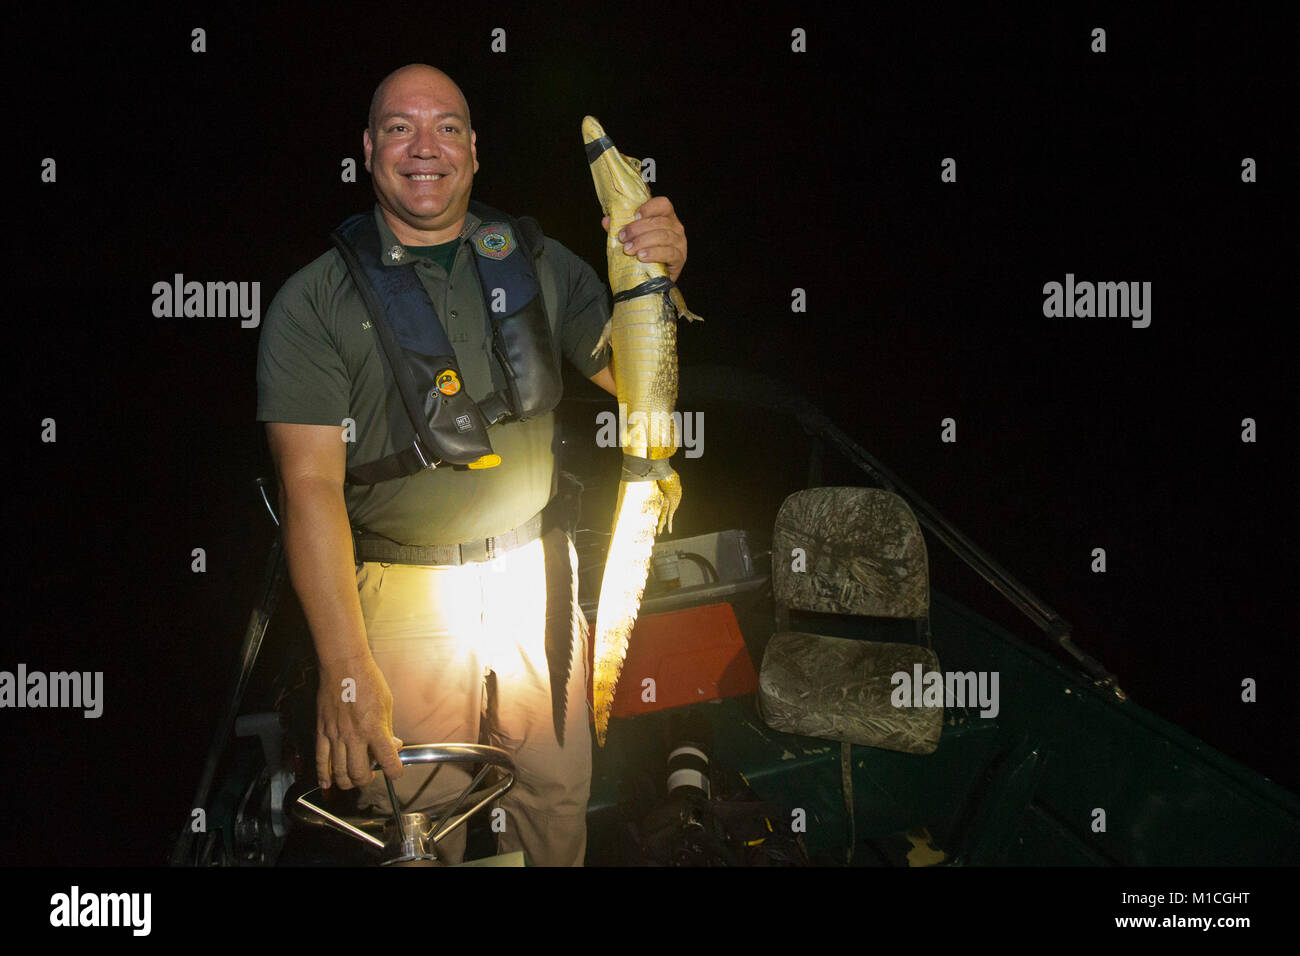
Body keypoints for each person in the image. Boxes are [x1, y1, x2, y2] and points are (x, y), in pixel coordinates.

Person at [255, 63, 687, 866]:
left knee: (555, 799)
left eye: (447, 127)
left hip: (537, 578)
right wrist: (345, 669)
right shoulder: (311, 301)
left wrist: (655, 274)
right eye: (399, 127)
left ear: (476, 151)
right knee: (420, 822)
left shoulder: (538, 259)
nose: (426, 147)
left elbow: (640, 384)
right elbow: (309, 487)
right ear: (367, 149)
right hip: (402, 594)